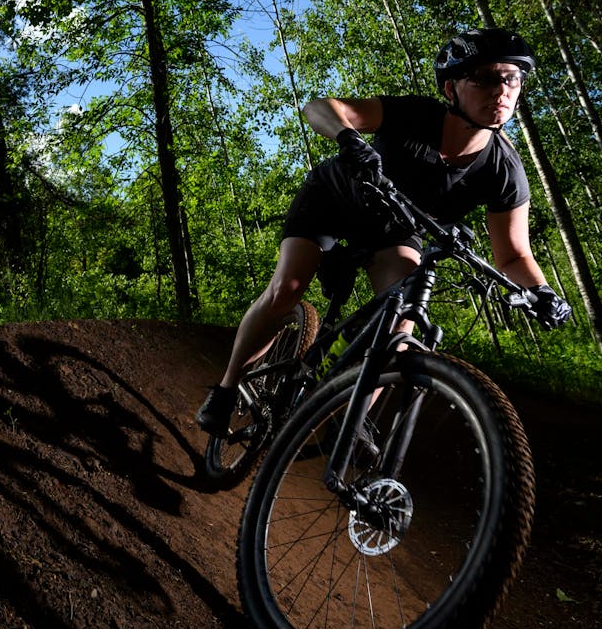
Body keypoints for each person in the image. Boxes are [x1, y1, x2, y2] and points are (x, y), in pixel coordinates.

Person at [195, 27, 572, 436]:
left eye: (511, 78)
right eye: (484, 78)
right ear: (451, 88)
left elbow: (514, 255)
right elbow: (321, 107)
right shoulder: (415, 114)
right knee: (287, 286)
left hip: (396, 232)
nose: (501, 89)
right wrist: (348, 138)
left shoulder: (504, 169)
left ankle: (349, 424)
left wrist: (544, 292)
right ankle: (228, 388)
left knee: (400, 325)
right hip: (334, 200)